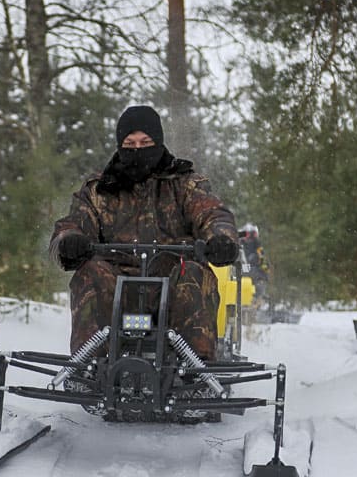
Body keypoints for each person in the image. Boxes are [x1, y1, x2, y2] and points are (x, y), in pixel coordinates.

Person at [49, 105, 239, 360]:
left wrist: (221, 239)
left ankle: (196, 370)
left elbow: (212, 214)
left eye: (145, 142)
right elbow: (73, 223)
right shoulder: (99, 189)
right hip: (118, 289)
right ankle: (89, 364)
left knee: (194, 272)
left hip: (172, 288)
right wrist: (69, 241)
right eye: (130, 143)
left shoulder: (185, 184)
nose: (137, 149)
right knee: (91, 272)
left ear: (158, 142)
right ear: (119, 145)